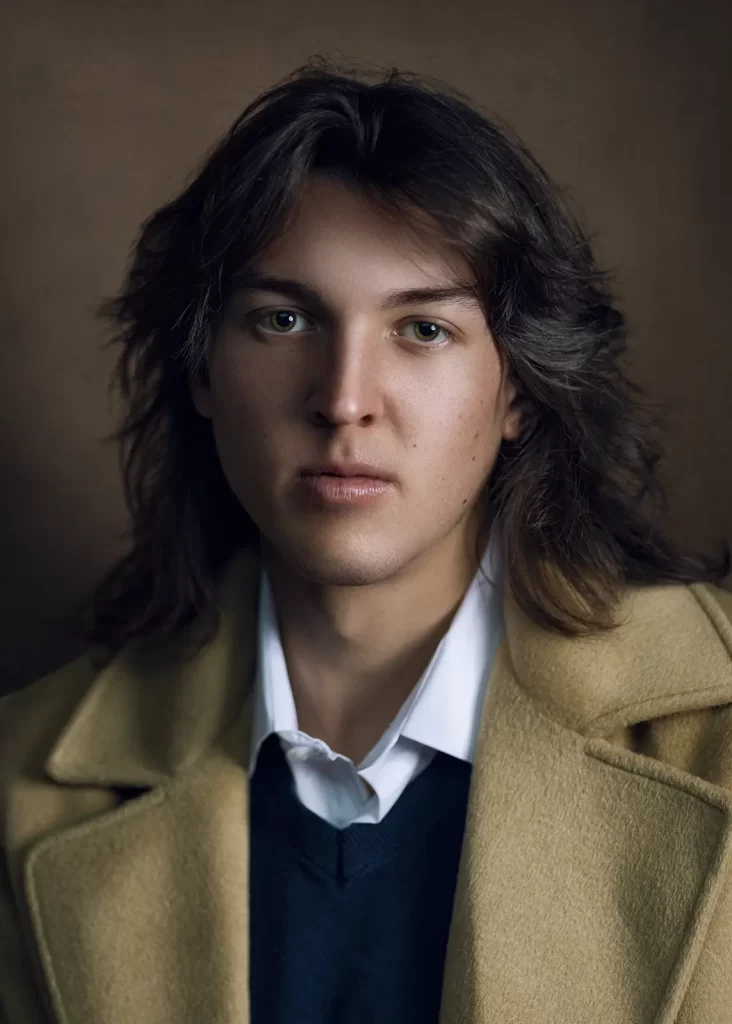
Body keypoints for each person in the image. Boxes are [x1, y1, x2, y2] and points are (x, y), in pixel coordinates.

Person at [1, 57, 731, 1024]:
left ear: (519, 387)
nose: (343, 400)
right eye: (285, 318)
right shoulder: (21, 781)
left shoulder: (713, 737)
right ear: (203, 371)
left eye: (422, 329)